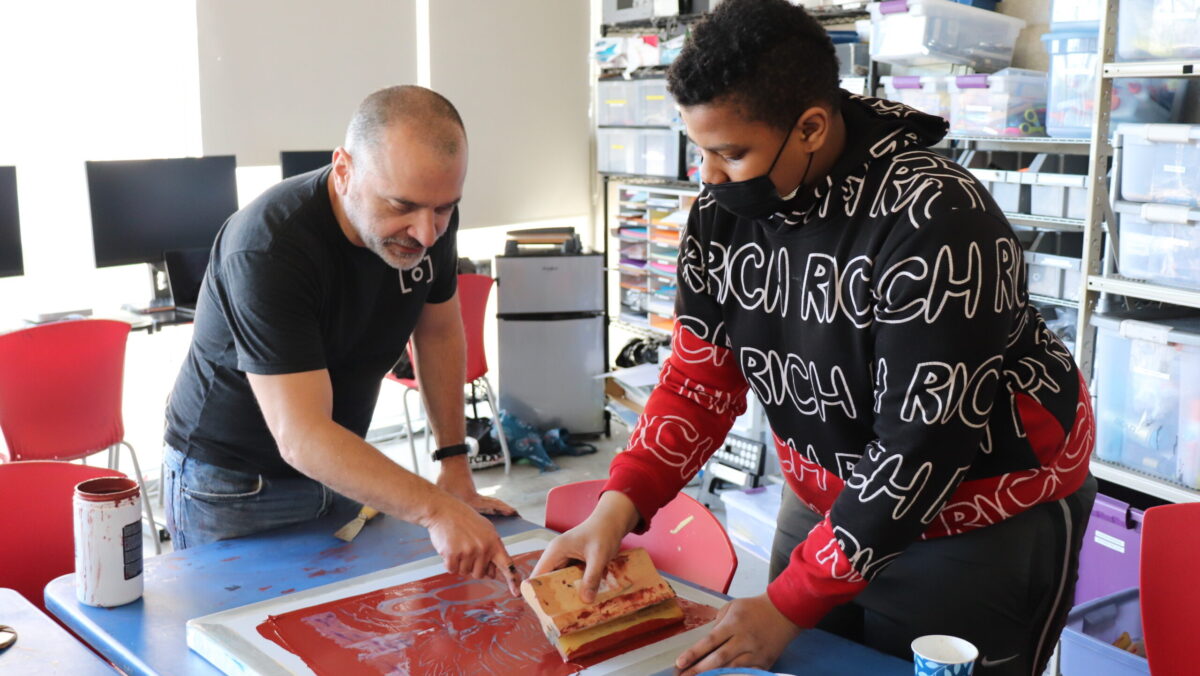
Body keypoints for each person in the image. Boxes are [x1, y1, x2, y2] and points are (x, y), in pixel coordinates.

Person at [533, 1, 1097, 673]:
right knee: (795, 660)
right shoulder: (723, 217)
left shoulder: (935, 220)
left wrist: (791, 602)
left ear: (809, 127)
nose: (707, 177)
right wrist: (618, 506)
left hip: (974, 515)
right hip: (827, 492)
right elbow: (696, 381)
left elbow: (921, 449)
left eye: (730, 153)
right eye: (700, 150)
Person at [163, 85, 520, 593]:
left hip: (341, 462)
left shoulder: (431, 213)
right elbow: (302, 434)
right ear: (344, 169)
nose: (425, 234)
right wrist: (437, 511)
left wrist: (453, 465)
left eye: (443, 209)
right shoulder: (269, 246)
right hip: (233, 485)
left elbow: (438, 333)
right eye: (403, 206)